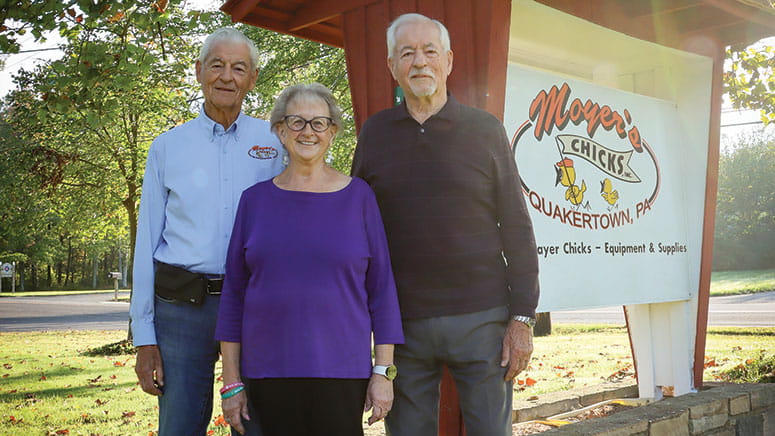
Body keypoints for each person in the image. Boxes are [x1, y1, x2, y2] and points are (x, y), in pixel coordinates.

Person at [351, 13, 540, 436]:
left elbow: (517, 226)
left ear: (448, 61)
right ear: (391, 66)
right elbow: (356, 226)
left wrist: (522, 319)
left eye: (429, 51)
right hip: (403, 326)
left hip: (484, 320)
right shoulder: (375, 134)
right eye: (407, 53)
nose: (419, 62)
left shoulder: (485, 130)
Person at [215, 83, 404, 436]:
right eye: (297, 121)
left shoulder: (359, 197)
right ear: (280, 129)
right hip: (267, 373)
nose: (308, 132)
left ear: (332, 132)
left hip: (342, 373)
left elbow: (382, 290)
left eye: (319, 123)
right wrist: (232, 382)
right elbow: (233, 296)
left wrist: (383, 372)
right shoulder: (254, 202)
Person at [129, 27, 285, 436]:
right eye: (217, 65)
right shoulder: (167, 147)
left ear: (252, 79)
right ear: (199, 71)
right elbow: (146, 242)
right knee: (180, 425)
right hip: (182, 306)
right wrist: (144, 337)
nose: (227, 76)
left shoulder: (276, 142)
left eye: (239, 68)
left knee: (258, 425)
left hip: (255, 305)